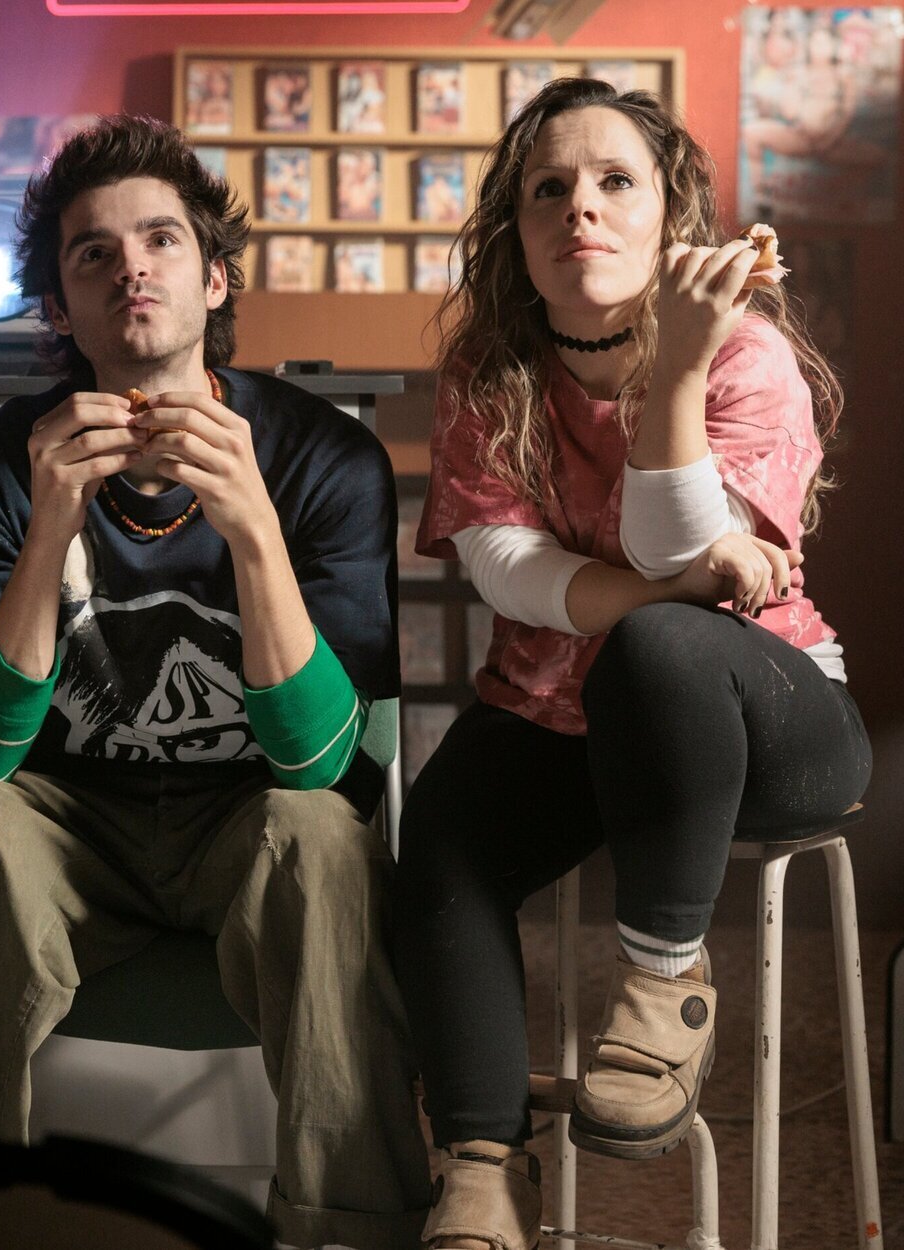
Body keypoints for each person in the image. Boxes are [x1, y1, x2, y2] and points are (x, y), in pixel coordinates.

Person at [0, 115, 431, 1250]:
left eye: (161, 239)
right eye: (93, 253)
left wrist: (254, 529)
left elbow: (324, 766)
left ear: (212, 278)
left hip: (247, 818)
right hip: (66, 823)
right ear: (60, 309)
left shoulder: (325, 457)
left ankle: (348, 1232)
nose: (131, 266)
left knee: (324, 841)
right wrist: (49, 529)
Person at [392, 78, 867, 1249]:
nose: (579, 208)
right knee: (440, 830)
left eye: (614, 182)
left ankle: (662, 986)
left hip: (764, 715)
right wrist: (681, 582)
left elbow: (662, 554)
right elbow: (510, 572)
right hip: (557, 706)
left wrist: (683, 364)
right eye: (546, 189)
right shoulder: (488, 368)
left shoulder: (744, 353)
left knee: (657, 650)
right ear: (514, 230)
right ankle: (479, 1166)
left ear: (669, 214)